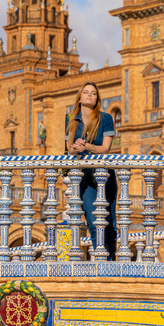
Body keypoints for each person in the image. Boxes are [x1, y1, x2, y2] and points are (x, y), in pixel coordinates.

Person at [65, 82, 117, 260]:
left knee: (110, 222)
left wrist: (87, 146)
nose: (89, 95)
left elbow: (106, 148)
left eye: (93, 93)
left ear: (97, 99)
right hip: (84, 177)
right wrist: (76, 147)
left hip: (104, 175)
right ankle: (102, 261)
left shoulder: (106, 118)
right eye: (86, 92)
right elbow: (68, 150)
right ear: (80, 98)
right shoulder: (71, 120)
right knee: (94, 222)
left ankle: (111, 263)